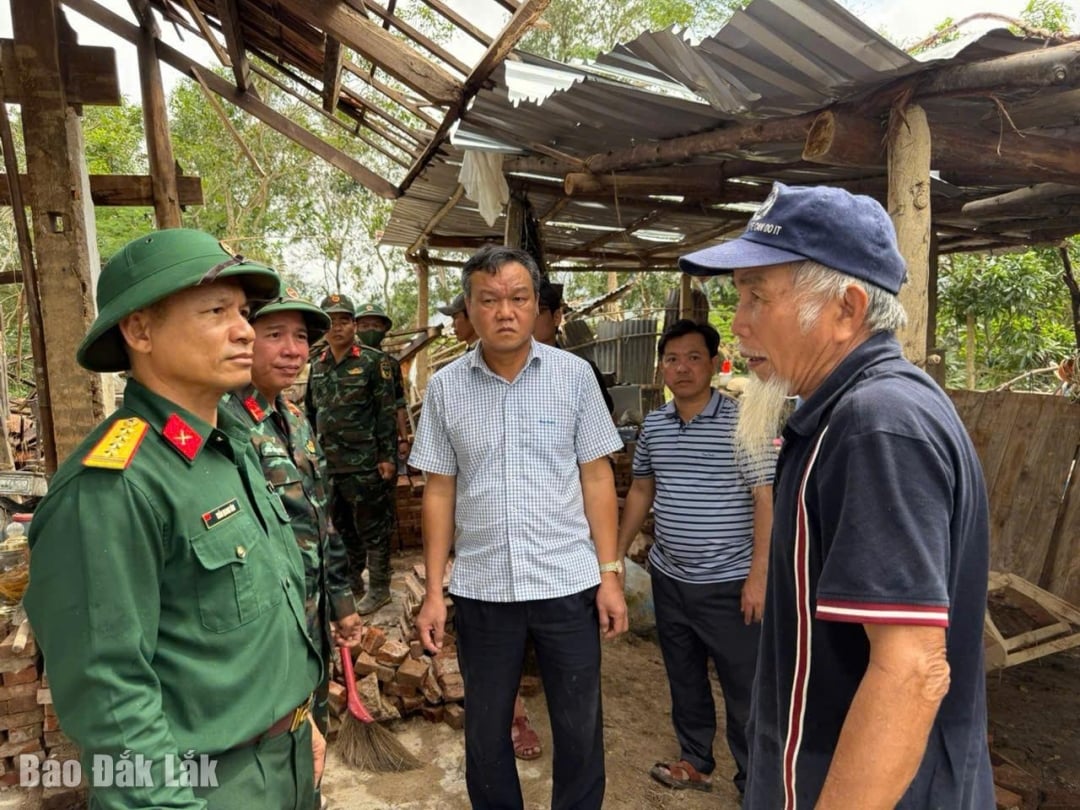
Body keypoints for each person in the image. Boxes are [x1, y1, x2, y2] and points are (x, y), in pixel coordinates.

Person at [679, 182, 994, 809]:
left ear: (847, 309)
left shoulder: (877, 423)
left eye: (757, 296)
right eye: (739, 295)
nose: (737, 323)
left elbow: (912, 669)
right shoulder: (840, 415)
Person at [24, 229, 324, 809]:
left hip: (284, 762)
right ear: (140, 331)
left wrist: (295, 715)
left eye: (243, 312)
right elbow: (113, 705)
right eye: (216, 312)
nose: (244, 330)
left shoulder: (229, 447)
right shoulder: (112, 487)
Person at [410, 245, 628, 810]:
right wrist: (433, 592)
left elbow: (597, 477)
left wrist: (609, 573)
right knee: (485, 730)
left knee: (579, 725)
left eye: (517, 298)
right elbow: (439, 490)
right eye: (488, 300)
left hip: (567, 583)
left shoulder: (574, 377)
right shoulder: (447, 387)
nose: (504, 311)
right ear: (469, 309)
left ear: (536, 305)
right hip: (484, 587)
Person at [616, 318, 775, 796]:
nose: (682, 368)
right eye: (672, 359)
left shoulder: (743, 422)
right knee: (684, 677)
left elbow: (764, 499)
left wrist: (759, 577)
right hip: (670, 578)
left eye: (693, 358)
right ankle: (695, 761)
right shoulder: (656, 426)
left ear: (714, 363)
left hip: (730, 581)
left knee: (744, 687)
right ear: (661, 367)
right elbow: (641, 490)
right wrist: (615, 557)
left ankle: (755, 782)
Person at [223, 290, 365, 809]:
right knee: (268, 762)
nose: (292, 350)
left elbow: (321, 519)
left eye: (301, 337)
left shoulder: (294, 417)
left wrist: (341, 601)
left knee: (310, 748)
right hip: (267, 630)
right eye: (275, 335)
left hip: (311, 619)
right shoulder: (224, 422)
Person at [305, 293, 397, 615]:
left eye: (344, 320)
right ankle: (353, 581)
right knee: (342, 527)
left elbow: (386, 412)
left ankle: (380, 588)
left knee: (373, 528)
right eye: (331, 321)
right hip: (330, 464)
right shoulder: (317, 364)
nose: (338, 327)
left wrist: (387, 457)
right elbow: (310, 412)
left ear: (354, 325)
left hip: (365, 462)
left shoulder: (373, 362)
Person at [536, 279, 615, 415]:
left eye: (539, 311)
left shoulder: (581, 372)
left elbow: (604, 419)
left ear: (556, 317)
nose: (530, 319)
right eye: (525, 312)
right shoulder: (508, 372)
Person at [355, 301, 413, 462]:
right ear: (356, 328)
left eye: (376, 325)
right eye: (365, 326)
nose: (370, 330)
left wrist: (403, 439)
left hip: (385, 445)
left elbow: (399, 403)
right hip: (354, 446)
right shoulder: (346, 362)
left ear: (384, 329)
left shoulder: (391, 364)